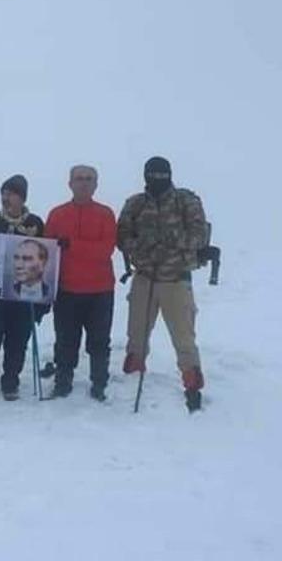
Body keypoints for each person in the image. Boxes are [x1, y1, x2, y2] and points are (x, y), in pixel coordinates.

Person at [116, 156, 209, 411]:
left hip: (176, 280)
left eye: (161, 174)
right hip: (144, 277)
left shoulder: (186, 201)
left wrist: (168, 239)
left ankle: (192, 384)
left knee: (184, 339)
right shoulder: (135, 204)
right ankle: (133, 379)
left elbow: (200, 236)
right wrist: (142, 246)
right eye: (152, 175)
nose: (157, 179)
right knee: (136, 334)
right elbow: (122, 236)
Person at [0, 175, 46, 403]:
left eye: (11, 194)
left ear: (21, 198)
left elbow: (45, 259)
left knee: (18, 340)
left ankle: (11, 382)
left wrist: (43, 301)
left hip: (23, 295)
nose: (6, 198)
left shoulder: (35, 223)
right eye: (3, 193)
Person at [45, 165, 117, 401]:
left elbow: (105, 250)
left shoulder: (106, 214)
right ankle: (62, 382)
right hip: (66, 290)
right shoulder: (57, 214)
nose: (84, 183)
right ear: (70, 183)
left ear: (96, 184)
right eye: (79, 179)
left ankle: (99, 384)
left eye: (89, 179)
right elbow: (46, 251)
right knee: (65, 340)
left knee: (99, 341)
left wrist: (72, 245)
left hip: (100, 290)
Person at [6, 238, 51, 303]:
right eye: (16, 258)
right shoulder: (11, 291)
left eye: (27, 259)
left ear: (43, 263)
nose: (18, 265)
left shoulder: (49, 292)